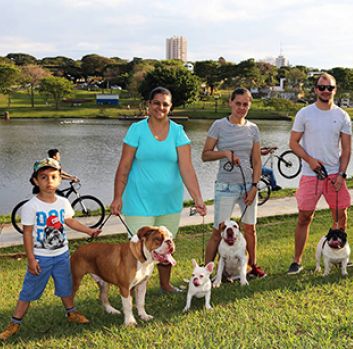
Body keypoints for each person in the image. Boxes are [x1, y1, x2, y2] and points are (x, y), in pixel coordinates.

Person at [110, 86, 206, 293]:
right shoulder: (136, 129)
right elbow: (124, 166)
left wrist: (197, 197)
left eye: (165, 104)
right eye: (156, 103)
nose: (160, 107)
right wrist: (117, 197)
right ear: (149, 105)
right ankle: (134, 289)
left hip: (169, 202)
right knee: (138, 250)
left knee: (165, 246)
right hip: (138, 201)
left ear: (170, 107)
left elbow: (187, 168)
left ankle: (165, 285)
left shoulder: (178, 132)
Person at [0, 158, 101, 341]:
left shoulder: (63, 203)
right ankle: (14, 323)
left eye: (53, 177)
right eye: (44, 177)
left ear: (59, 180)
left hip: (62, 255)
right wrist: (31, 259)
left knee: (66, 287)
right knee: (28, 292)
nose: (49, 182)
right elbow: (27, 234)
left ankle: (71, 313)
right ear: (35, 181)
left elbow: (70, 221)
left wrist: (89, 230)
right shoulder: (31, 206)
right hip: (41, 258)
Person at [287, 73, 352, 275]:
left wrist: (342, 174)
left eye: (329, 88)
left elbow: (347, 149)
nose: (325, 91)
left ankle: (340, 255)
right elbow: (293, 143)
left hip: (334, 175)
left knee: (340, 216)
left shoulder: (342, 115)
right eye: (321, 87)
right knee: (305, 217)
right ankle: (297, 261)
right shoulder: (304, 114)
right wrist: (311, 161)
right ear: (315, 89)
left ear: (335, 90)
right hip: (310, 174)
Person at [202, 87, 266, 278]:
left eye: (245, 104)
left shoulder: (253, 129)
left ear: (250, 105)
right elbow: (205, 154)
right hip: (226, 186)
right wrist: (225, 153)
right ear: (230, 103)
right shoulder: (219, 126)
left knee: (250, 229)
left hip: (248, 187)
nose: (241, 107)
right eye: (238, 103)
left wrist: (255, 187)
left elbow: (256, 161)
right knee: (217, 231)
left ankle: (252, 266)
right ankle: (206, 272)